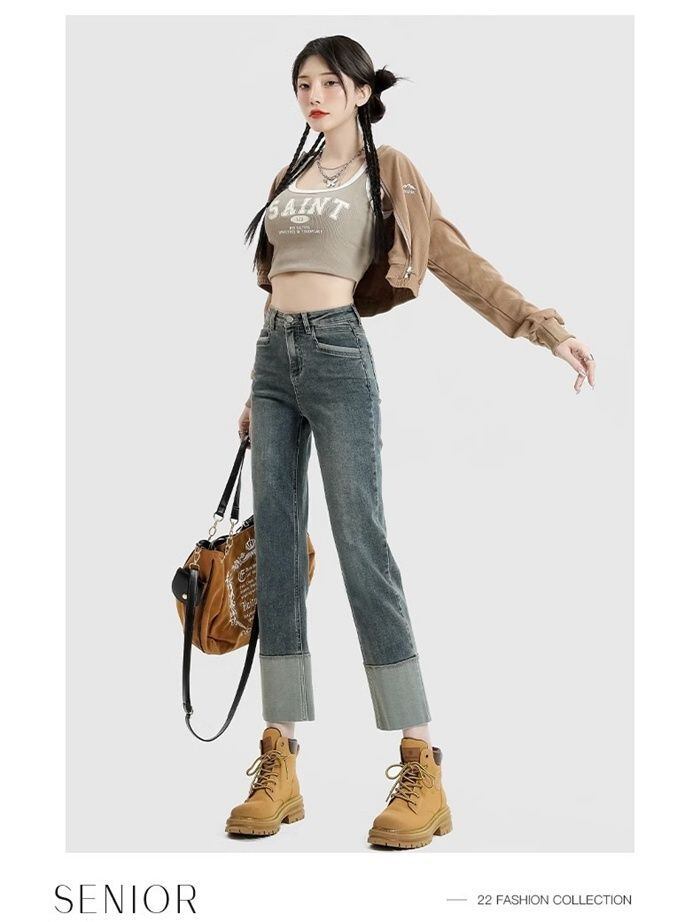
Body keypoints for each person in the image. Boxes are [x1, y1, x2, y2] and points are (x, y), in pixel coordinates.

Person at [225, 36, 596, 849]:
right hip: (273, 364)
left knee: (362, 545)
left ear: (362, 92)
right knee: (278, 549)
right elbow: (275, 284)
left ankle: (420, 763)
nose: (313, 95)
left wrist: (545, 329)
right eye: (302, 83)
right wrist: (256, 389)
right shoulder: (287, 176)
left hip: (337, 356)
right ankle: (279, 758)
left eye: (329, 82)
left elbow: (456, 259)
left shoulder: (389, 170)